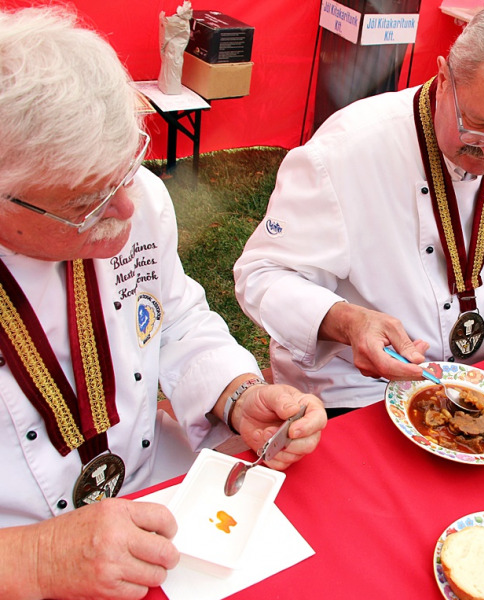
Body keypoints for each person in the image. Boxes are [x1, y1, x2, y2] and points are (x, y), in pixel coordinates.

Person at [0, 7, 326, 600]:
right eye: (87, 200)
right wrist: (32, 557)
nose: (128, 206)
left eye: (130, 164)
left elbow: (172, 317)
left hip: (156, 496)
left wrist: (237, 395)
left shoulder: (136, 199)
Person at [234, 0, 484, 413]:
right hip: (358, 390)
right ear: (444, 77)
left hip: (479, 377)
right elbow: (261, 276)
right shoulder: (346, 151)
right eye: (478, 126)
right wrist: (348, 321)